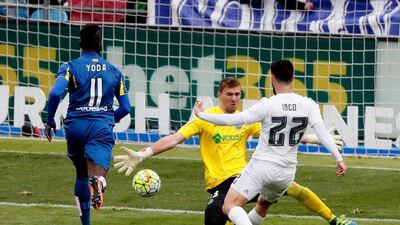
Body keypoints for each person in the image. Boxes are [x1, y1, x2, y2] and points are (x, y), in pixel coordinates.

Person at [114, 77, 356, 225]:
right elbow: (173, 139)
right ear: (219, 95)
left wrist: (315, 139)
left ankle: (334, 219)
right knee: (222, 217)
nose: (234, 98)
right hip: (220, 183)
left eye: (237, 95)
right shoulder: (206, 119)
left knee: (291, 187)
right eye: (229, 94)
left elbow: (280, 132)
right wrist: (143, 154)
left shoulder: (247, 119)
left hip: (244, 176)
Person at [193, 59, 351, 225]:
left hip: (263, 167)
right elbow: (322, 134)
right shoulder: (309, 104)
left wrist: (201, 115)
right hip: (286, 173)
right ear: (293, 78)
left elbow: (235, 119)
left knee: (230, 205)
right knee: (262, 204)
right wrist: (339, 159)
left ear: (272, 79)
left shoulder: (267, 104)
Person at [45, 24, 131, 225]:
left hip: (75, 126)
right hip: (100, 125)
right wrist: (110, 118)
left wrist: (50, 121)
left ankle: (86, 223)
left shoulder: (70, 66)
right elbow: (126, 108)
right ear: (100, 42)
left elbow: (56, 93)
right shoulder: (115, 72)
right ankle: (99, 181)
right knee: (98, 174)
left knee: (81, 173)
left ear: (80, 43)